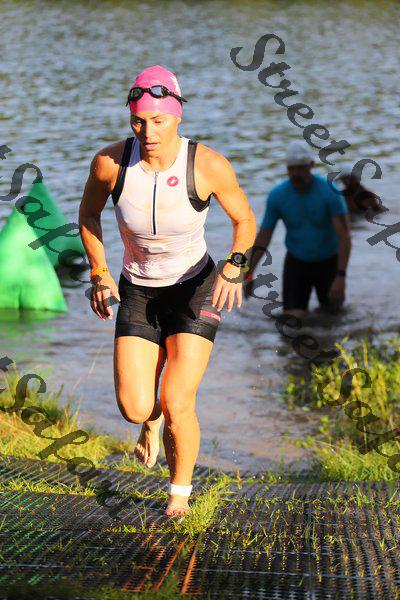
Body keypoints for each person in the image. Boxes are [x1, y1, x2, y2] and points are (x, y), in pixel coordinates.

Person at [78, 65, 256, 517]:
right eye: (139, 121)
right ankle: (149, 423)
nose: (149, 132)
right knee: (135, 407)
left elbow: (244, 220)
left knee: (177, 399)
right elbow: (88, 216)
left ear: (177, 116)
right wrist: (99, 272)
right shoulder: (110, 163)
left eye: (158, 121)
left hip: (195, 289)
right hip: (138, 290)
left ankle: (179, 494)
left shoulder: (207, 165)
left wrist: (235, 266)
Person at [244, 141, 351, 319]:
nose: (296, 174)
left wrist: (341, 276)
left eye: (301, 168)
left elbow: (344, 237)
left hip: (328, 263)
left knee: (334, 318)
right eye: (292, 169)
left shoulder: (329, 192)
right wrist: (249, 272)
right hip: (297, 263)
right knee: (292, 319)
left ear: (311, 165)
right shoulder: (278, 196)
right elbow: (264, 236)